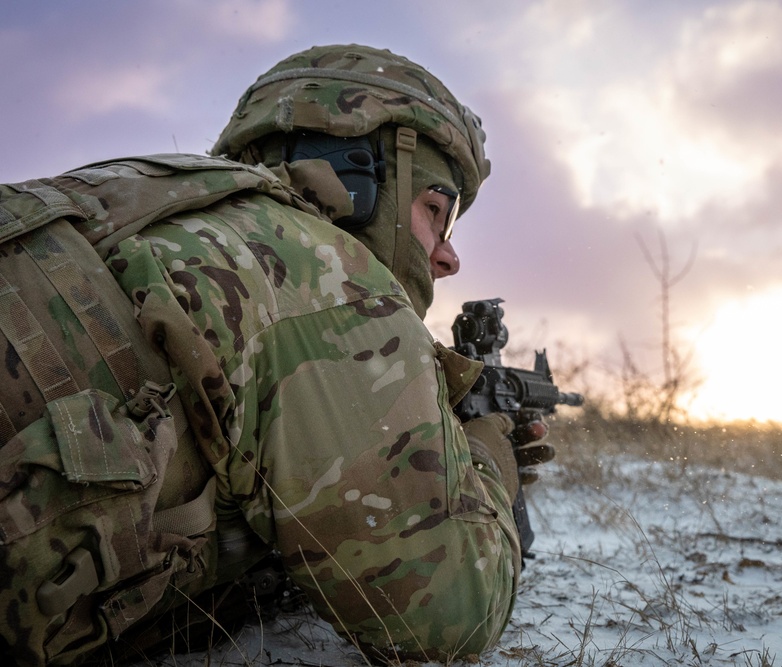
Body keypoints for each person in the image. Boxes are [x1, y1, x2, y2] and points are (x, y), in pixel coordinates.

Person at [0, 44, 551, 665]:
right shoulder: (330, 278)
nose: (449, 257)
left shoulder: (143, 201)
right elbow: (448, 614)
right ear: (364, 180)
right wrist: (489, 455)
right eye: (435, 212)